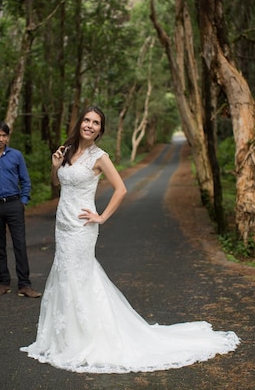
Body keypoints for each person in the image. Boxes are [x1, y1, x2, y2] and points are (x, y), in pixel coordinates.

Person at [20, 106, 239, 373]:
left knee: (79, 276)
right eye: (87, 120)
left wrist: (101, 217)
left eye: (96, 123)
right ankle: (65, 337)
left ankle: (88, 339)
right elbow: (58, 184)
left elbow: (121, 189)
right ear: (80, 123)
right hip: (62, 224)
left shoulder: (99, 157)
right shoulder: (66, 152)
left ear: (101, 129)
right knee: (65, 275)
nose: (90, 125)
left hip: (82, 227)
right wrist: (54, 167)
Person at [0, 121, 41, 298]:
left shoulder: (16, 156)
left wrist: (23, 201)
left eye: (4, 135)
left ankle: (24, 285)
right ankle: (4, 282)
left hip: (14, 204)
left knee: (19, 244)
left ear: (8, 137)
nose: (1, 139)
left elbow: (25, 180)